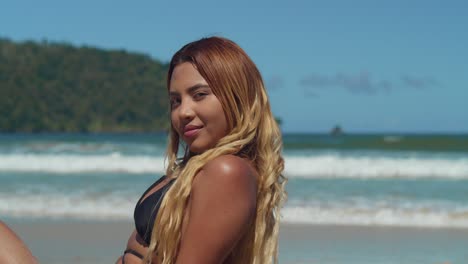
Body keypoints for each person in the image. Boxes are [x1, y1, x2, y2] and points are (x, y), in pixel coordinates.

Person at [117, 36, 286, 264]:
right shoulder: (195, 167)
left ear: (237, 97)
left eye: (200, 95)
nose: (183, 111)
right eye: (175, 101)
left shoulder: (227, 172)